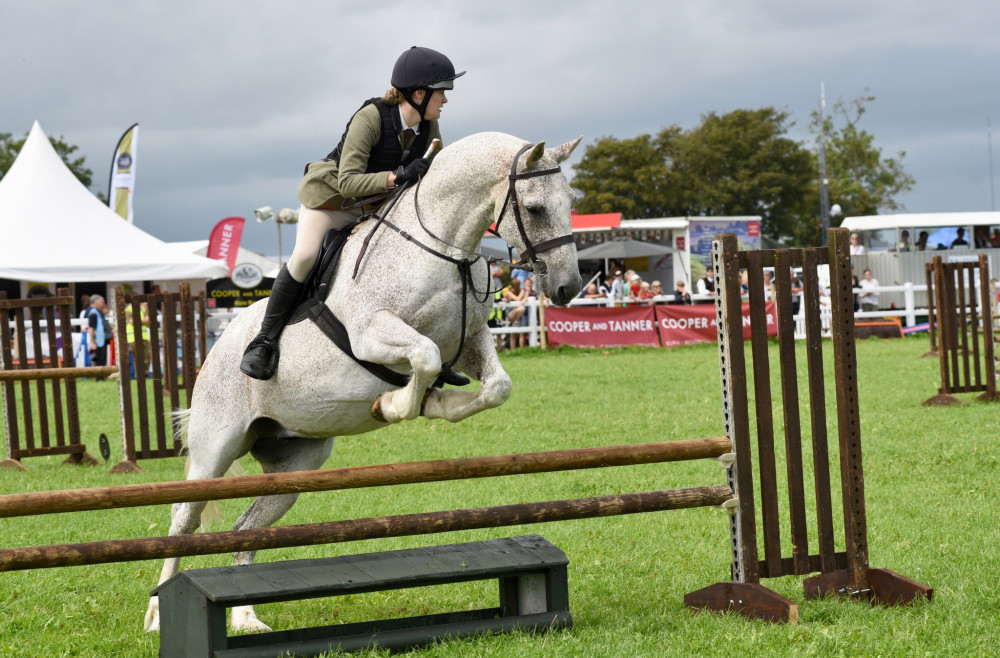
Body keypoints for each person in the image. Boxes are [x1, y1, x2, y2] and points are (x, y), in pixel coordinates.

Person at [240, 46, 466, 382]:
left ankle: (432, 351)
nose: (445, 100)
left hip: (377, 208)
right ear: (419, 94)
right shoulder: (372, 117)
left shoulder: (429, 130)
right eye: (441, 92)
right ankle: (264, 340)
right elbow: (348, 181)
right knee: (303, 258)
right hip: (333, 202)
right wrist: (398, 176)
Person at [86, 295, 111, 380]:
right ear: (96, 303)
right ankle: (99, 379)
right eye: (102, 302)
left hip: (102, 341)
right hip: (97, 342)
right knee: (99, 362)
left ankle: (101, 378)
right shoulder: (94, 313)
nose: (103, 304)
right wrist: (93, 343)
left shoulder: (100, 313)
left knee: (103, 361)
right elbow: (91, 328)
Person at [502, 277, 527, 350]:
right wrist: (522, 293)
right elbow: (518, 299)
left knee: (513, 333)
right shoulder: (509, 292)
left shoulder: (521, 291)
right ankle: (516, 321)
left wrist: (525, 298)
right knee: (522, 308)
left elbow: (526, 298)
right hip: (510, 313)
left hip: (517, 315)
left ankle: (513, 350)